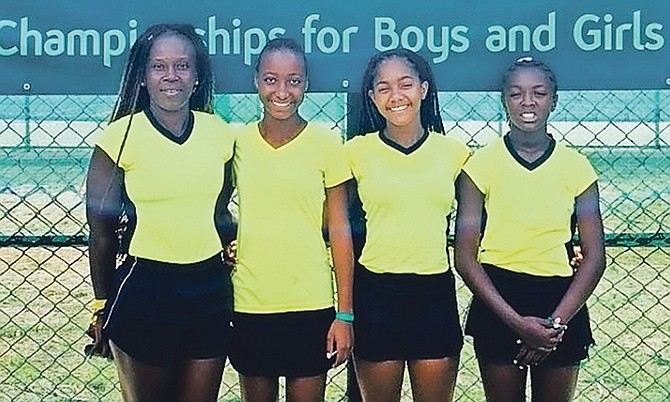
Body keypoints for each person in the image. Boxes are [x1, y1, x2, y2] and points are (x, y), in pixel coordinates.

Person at [85, 23, 236, 402]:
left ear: (197, 76)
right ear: (143, 76)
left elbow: (222, 211)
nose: (172, 76)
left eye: (182, 66)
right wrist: (102, 305)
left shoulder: (221, 134)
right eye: (159, 66)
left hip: (209, 292)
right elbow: (102, 234)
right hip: (144, 291)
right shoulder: (118, 138)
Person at [454, 56, 606, 402]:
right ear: (504, 99)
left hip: (561, 302)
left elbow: (595, 257)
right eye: (516, 93)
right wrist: (517, 323)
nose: (527, 102)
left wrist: (554, 325)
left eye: (539, 93)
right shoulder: (480, 166)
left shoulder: (577, 168)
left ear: (554, 100)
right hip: (499, 299)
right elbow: (465, 257)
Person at [228, 37, 354, 402]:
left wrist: (344, 315)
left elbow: (340, 232)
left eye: (293, 80)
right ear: (256, 81)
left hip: (310, 304)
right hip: (251, 302)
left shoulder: (326, 144)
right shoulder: (237, 144)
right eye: (271, 79)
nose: (282, 91)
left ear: (306, 84)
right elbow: (214, 207)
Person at [345, 48, 470, 402]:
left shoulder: (455, 153)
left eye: (405, 84)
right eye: (383, 88)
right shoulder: (355, 153)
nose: (396, 96)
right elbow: (325, 217)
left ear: (424, 89)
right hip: (376, 296)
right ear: (371, 97)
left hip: (434, 295)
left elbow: (490, 221)